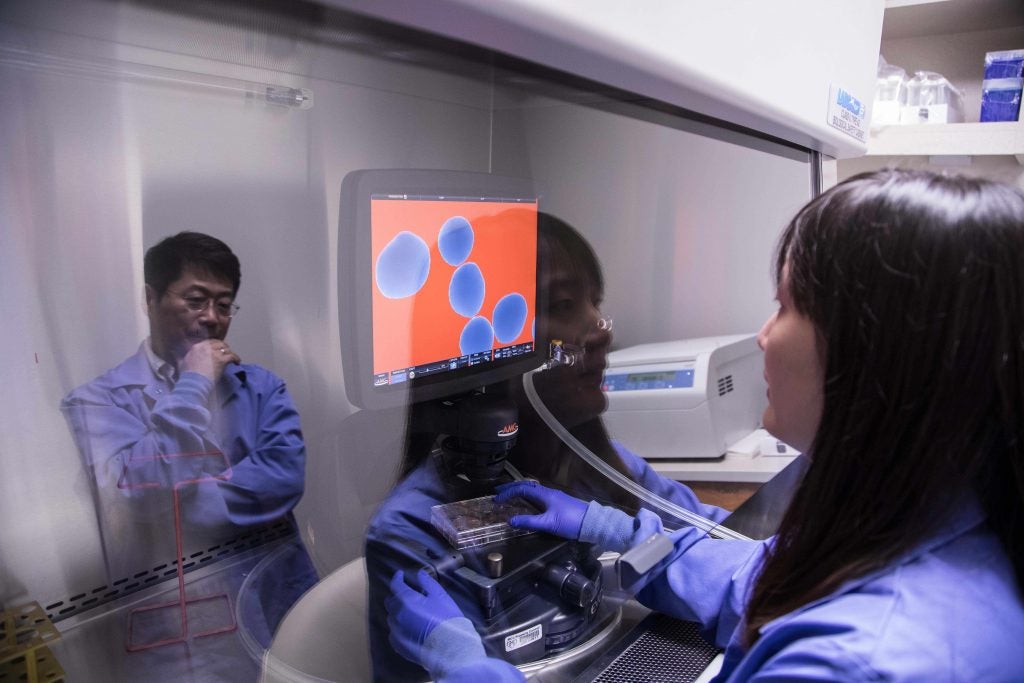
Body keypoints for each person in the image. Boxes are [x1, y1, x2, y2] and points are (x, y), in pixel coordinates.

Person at [384, 169, 1024, 681]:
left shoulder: (853, 663)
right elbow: (760, 581)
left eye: (785, 304)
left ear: (876, 352)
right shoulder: (939, 521)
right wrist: (618, 534)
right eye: (559, 305)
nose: (764, 335)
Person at [364, 212, 728, 681]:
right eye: (563, 304)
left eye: (595, 302)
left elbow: (724, 548)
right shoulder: (416, 530)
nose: (601, 329)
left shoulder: (600, 469)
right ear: (480, 349)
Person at [61, 231, 317, 647]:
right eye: (195, 300)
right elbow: (136, 495)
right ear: (149, 298)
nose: (213, 317)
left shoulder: (263, 387)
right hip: (184, 625)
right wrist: (195, 381)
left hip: (279, 594)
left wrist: (173, 508)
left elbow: (282, 479)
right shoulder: (95, 401)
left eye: (224, 303)